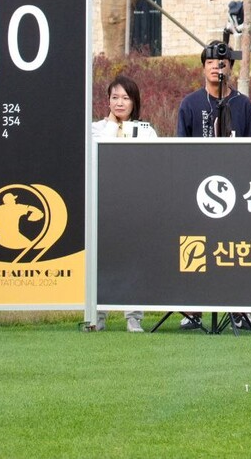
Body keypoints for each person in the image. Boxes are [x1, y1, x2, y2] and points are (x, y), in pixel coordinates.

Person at [176, 41, 251, 331]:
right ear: (203, 68)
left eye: (221, 63)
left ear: (230, 69)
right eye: (210, 62)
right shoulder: (190, 104)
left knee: (235, 250)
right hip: (198, 190)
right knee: (195, 247)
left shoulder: (242, 105)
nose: (216, 67)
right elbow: (180, 150)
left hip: (234, 190)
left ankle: (239, 310)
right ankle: (192, 311)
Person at [92, 75, 157, 333]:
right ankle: (97, 314)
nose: (119, 103)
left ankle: (133, 316)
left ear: (134, 102)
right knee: (102, 260)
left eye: (125, 98)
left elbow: (153, 167)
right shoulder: (95, 129)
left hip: (134, 205)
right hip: (103, 203)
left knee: (133, 259)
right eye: (115, 97)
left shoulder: (146, 131)